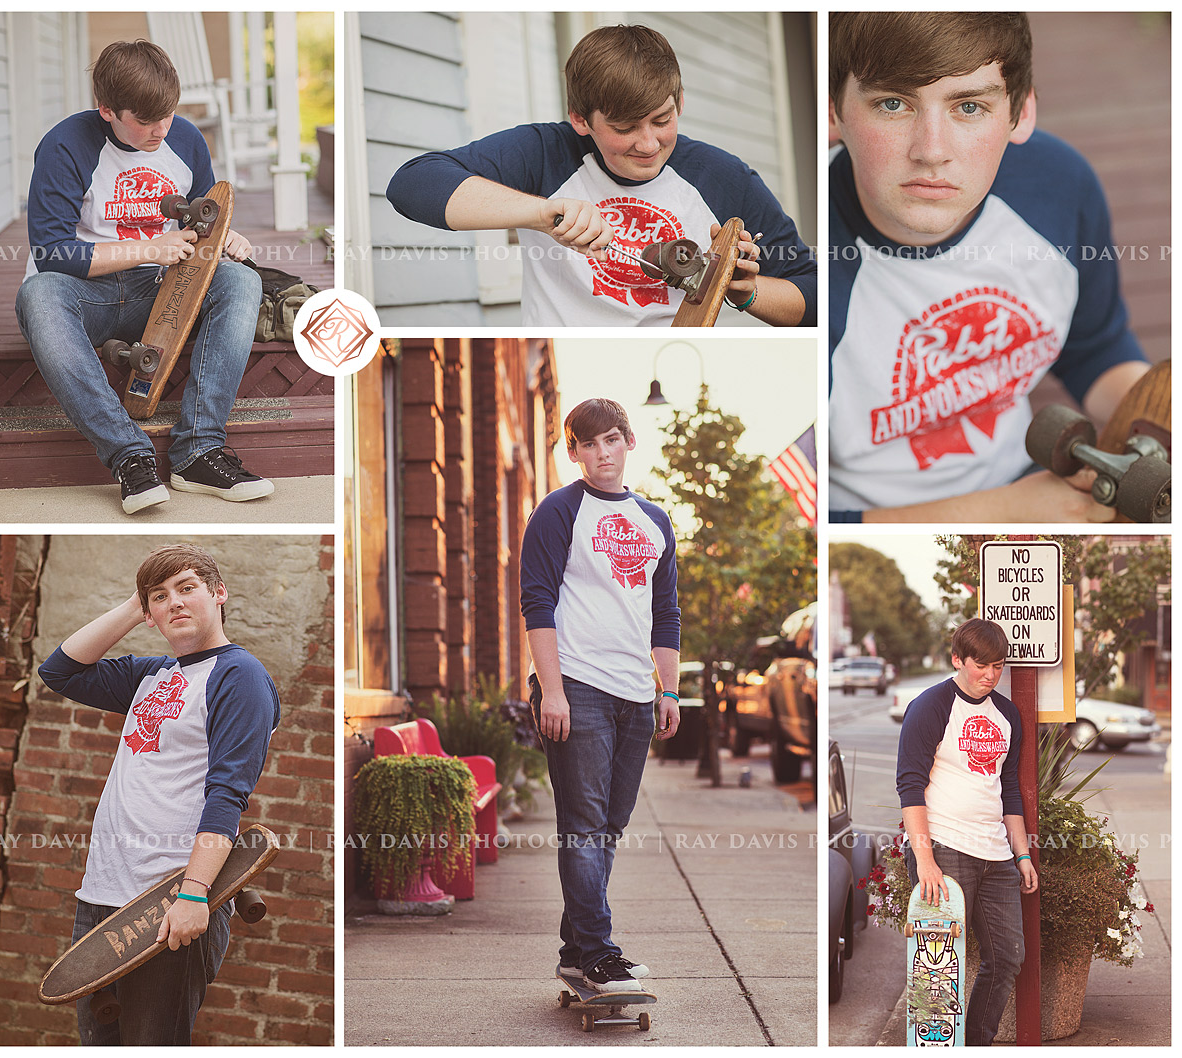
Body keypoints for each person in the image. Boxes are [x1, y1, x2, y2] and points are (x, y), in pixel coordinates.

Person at [828, 13, 1150, 522]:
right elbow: (795, 523)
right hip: (874, 524)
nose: (932, 152)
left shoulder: (1059, 186)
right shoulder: (803, 273)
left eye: (970, 107)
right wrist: (1003, 513)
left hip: (1025, 480)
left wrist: (1159, 413)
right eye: (893, 104)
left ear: (1020, 113)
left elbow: (1096, 346)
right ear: (833, 113)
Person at [388, 25, 816, 327]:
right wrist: (541, 213)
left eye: (662, 119)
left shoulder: (723, 176)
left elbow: (813, 297)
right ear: (580, 119)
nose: (648, 144)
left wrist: (745, 291)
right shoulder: (543, 153)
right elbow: (411, 184)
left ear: (680, 101)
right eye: (625, 128)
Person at [16, 40, 274, 515]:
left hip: (159, 290)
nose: (159, 131)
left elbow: (201, 218)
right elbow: (52, 254)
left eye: (168, 116)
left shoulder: (187, 139)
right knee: (38, 296)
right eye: (145, 121)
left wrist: (225, 237)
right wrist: (149, 248)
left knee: (242, 282)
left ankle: (198, 451)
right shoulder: (64, 145)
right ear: (108, 111)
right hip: (82, 294)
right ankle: (130, 458)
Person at [38, 543, 279, 1045]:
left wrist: (195, 894)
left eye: (187, 588)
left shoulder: (240, 676)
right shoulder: (152, 675)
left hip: (166, 903)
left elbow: (227, 794)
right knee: (100, 1045)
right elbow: (59, 671)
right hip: (102, 896)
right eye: (160, 597)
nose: (175, 603)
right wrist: (134, 605)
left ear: (219, 593)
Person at [519, 398, 681, 992]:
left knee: (608, 828)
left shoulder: (656, 520)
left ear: (628, 441)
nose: (601, 452)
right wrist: (553, 692)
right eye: (588, 444)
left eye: (611, 439)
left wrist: (671, 689)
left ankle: (575, 949)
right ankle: (599, 951)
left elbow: (666, 612)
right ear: (574, 452)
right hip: (578, 687)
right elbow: (536, 604)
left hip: (637, 694)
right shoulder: (559, 512)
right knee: (584, 826)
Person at [896, 618, 1038, 1046]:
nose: (991, 675)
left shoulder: (1007, 713)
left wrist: (1023, 855)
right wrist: (925, 861)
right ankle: (935, 1049)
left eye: (999, 666)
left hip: (996, 853)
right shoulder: (931, 706)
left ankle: (975, 1044)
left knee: (1008, 956)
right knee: (937, 964)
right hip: (944, 848)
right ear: (958, 659)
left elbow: (1008, 791)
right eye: (982, 666)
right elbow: (909, 785)